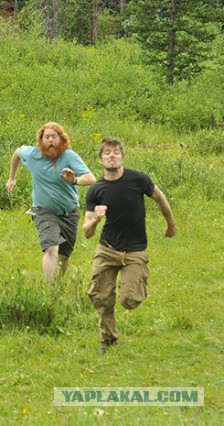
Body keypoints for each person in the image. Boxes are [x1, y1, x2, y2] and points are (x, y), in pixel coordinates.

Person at [83, 138, 177, 354]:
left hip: (135, 250)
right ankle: (108, 340)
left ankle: (137, 280)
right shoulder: (96, 190)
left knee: (129, 299)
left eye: (116, 152)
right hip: (107, 249)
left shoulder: (138, 179)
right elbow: (86, 232)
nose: (112, 156)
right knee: (101, 297)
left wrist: (171, 225)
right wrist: (95, 221)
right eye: (107, 153)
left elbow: (160, 198)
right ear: (100, 160)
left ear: (122, 156)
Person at [6, 122, 96, 282]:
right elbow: (17, 153)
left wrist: (73, 180)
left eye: (54, 136)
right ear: (41, 141)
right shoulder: (33, 154)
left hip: (69, 212)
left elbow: (90, 178)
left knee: (64, 256)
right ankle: (49, 291)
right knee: (51, 248)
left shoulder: (69, 156)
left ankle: (57, 286)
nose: (50, 140)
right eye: (46, 137)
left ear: (61, 139)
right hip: (44, 210)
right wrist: (11, 178)